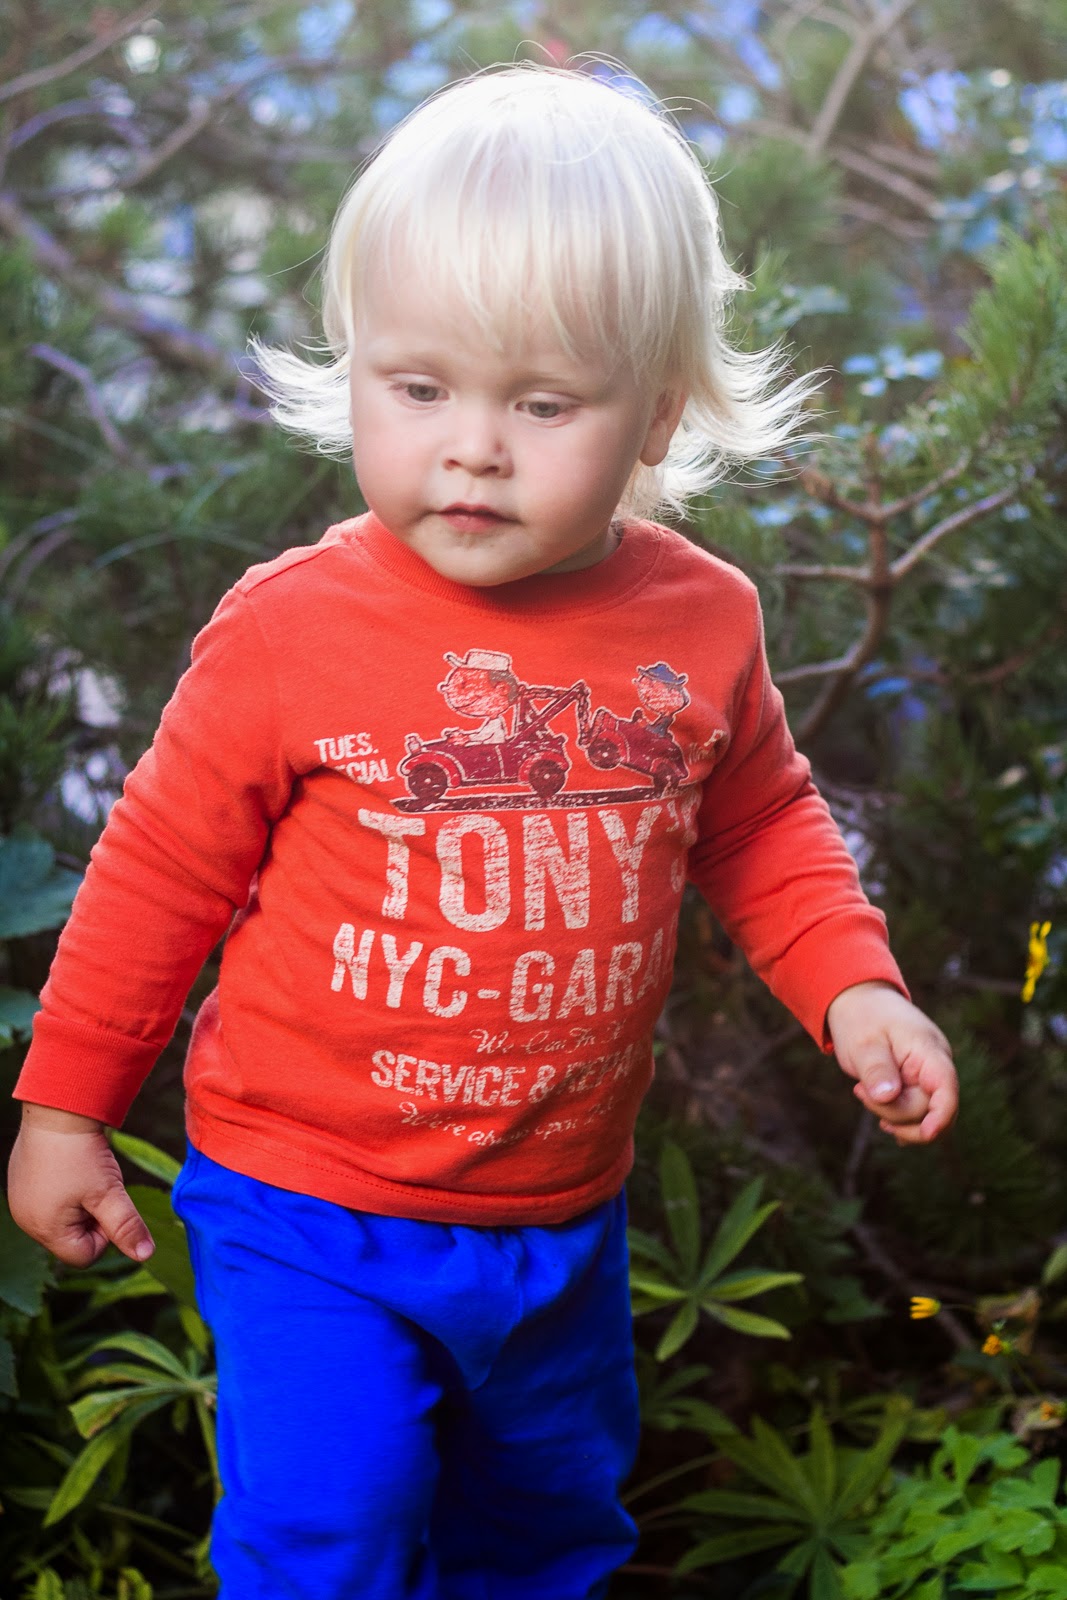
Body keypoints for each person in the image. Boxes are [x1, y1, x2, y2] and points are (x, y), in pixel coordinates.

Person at [7, 62, 957, 1600]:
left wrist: (856, 984)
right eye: (420, 387)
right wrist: (66, 1110)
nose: (473, 447)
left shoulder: (700, 623)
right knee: (338, 1521)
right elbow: (157, 880)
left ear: (656, 415)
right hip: (308, 1205)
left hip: (557, 1217)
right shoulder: (290, 632)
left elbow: (763, 823)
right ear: (357, 369)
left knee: (544, 1530)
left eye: (543, 403)